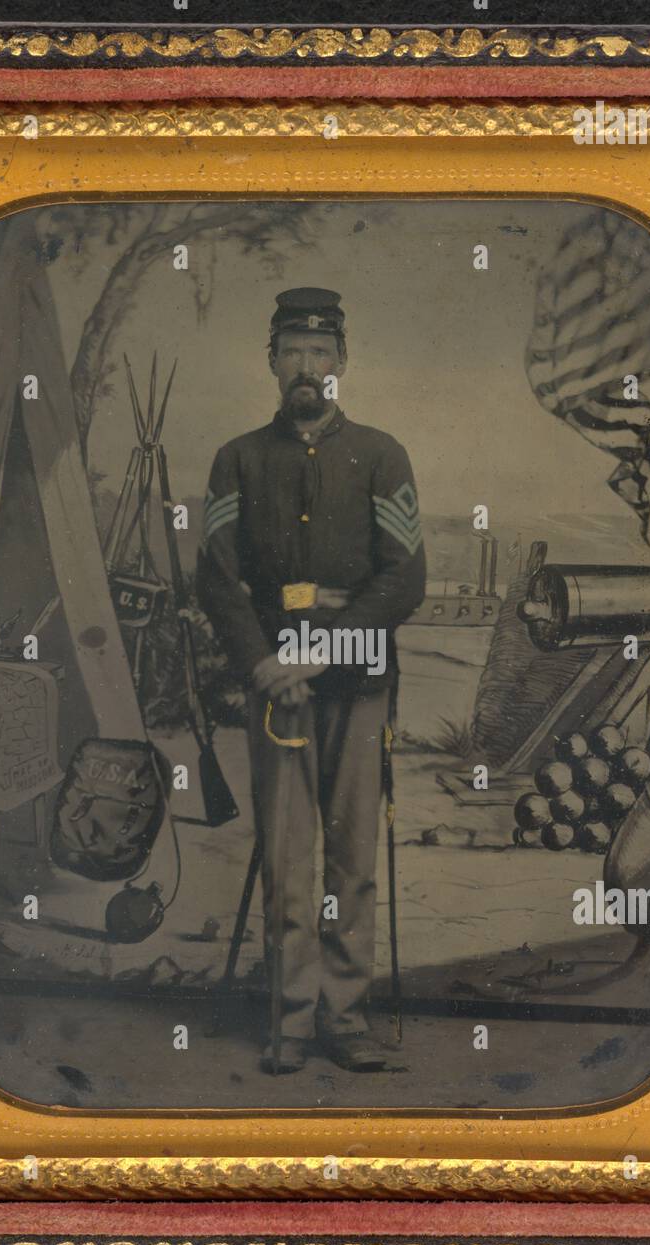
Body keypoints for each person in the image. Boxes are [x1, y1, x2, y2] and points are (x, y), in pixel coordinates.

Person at [196, 288, 426, 1074]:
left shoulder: (382, 455)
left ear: (342, 364)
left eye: (320, 353)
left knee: (352, 861)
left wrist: (320, 653)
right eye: (292, 350)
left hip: (353, 682)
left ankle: (346, 1016)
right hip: (274, 687)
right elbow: (217, 581)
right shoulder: (239, 459)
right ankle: (291, 1020)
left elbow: (405, 581)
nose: (307, 367)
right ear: (270, 360)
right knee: (288, 858)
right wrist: (266, 663)